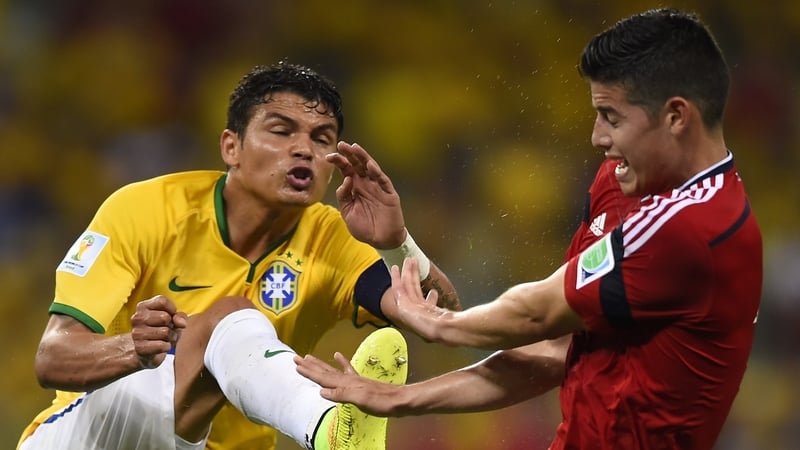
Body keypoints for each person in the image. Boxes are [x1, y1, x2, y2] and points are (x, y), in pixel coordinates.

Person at [296, 8, 763, 449]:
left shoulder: (695, 228)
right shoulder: (623, 182)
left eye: (612, 118)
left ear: (676, 116)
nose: (597, 137)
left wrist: (443, 326)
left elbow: (535, 313)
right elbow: (558, 348)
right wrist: (396, 396)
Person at [17, 62, 461, 450]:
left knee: (231, 323)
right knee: (230, 319)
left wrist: (396, 242)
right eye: (281, 131)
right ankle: (326, 428)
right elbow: (52, 358)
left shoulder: (333, 239)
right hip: (99, 433)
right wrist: (132, 347)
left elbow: (438, 317)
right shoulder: (146, 210)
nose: (304, 148)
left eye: (322, 138)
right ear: (231, 147)